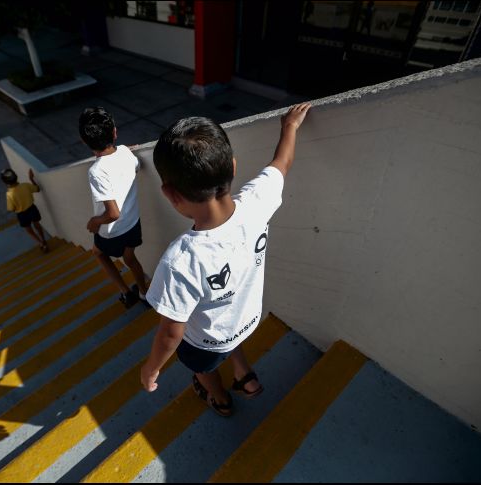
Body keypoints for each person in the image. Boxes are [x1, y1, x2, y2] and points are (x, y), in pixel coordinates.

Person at [140, 103, 312, 417]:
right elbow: (281, 163)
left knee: (203, 369)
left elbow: (170, 334)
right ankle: (244, 375)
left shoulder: (181, 261)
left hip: (204, 344)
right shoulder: (258, 201)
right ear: (232, 167)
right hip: (247, 320)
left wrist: (151, 369)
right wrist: (290, 126)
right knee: (228, 339)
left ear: (170, 194)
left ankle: (218, 397)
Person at [79, 107, 149, 308]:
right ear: (115, 132)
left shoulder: (96, 171)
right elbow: (135, 166)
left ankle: (126, 292)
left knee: (98, 253)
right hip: (133, 223)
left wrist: (95, 221)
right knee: (130, 257)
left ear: (84, 141)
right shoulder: (126, 152)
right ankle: (144, 293)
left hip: (112, 231)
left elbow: (112, 213)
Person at [1, 168, 49, 252]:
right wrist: (31, 178)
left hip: (22, 214)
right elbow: (37, 189)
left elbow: (11, 209)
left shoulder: (9, 194)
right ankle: (43, 239)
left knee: (29, 230)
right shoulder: (25, 185)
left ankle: (41, 243)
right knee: (37, 225)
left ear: (5, 182)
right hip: (32, 208)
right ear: (16, 177)